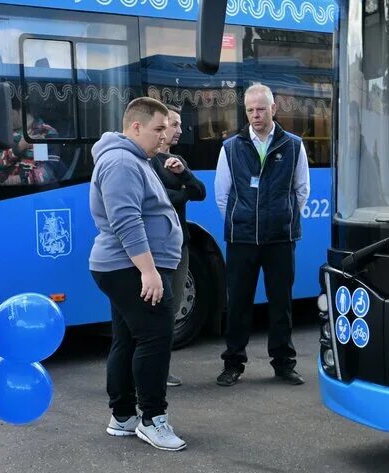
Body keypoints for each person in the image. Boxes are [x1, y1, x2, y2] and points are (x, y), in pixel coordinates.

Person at [90, 96, 186, 451]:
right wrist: (148, 271)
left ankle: (124, 416)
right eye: (158, 129)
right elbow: (126, 220)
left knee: (129, 338)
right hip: (129, 265)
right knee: (155, 337)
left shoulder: (134, 159)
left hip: (125, 265)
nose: (164, 136)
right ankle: (151, 419)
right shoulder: (121, 163)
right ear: (135, 127)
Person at [215, 84, 310, 386]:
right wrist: (242, 221)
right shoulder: (231, 147)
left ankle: (284, 364)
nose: (255, 115)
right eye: (250, 110)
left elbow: (301, 190)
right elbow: (222, 195)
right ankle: (233, 364)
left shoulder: (293, 145)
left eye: (260, 109)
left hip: (280, 239)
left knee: (280, 304)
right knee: (238, 304)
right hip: (242, 239)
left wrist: (282, 217)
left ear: (274, 109)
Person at [152, 105, 207, 387]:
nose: (180, 130)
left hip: (179, 243)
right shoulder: (148, 161)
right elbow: (160, 200)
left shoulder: (177, 160)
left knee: (171, 310)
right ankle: (152, 371)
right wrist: (183, 193)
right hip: (156, 247)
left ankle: (163, 369)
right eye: (175, 124)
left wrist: (184, 175)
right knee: (157, 311)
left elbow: (200, 192)